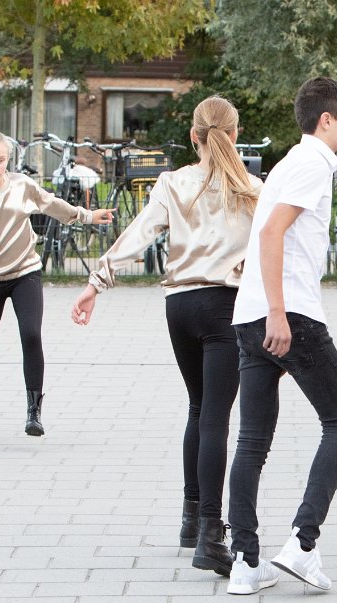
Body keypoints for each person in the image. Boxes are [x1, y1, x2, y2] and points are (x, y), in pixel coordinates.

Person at [71, 96, 261, 577]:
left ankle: (190, 519)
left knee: (198, 409)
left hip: (179, 306)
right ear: (235, 135)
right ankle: (212, 536)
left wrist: (97, 283)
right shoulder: (254, 190)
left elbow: (139, 234)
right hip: (224, 307)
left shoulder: (172, 182)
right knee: (217, 416)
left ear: (194, 137)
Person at [225, 77, 337, 595]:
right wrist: (280, 314)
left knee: (253, 441)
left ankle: (245, 563)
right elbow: (270, 232)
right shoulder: (309, 165)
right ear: (326, 121)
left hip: (251, 313)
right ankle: (302, 546)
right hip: (290, 315)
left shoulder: (290, 162)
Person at [0, 129, 112, 439]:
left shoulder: (21, 186)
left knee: (31, 334)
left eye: (1, 160)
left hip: (25, 272)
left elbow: (53, 205)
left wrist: (88, 216)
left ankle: (34, 412)